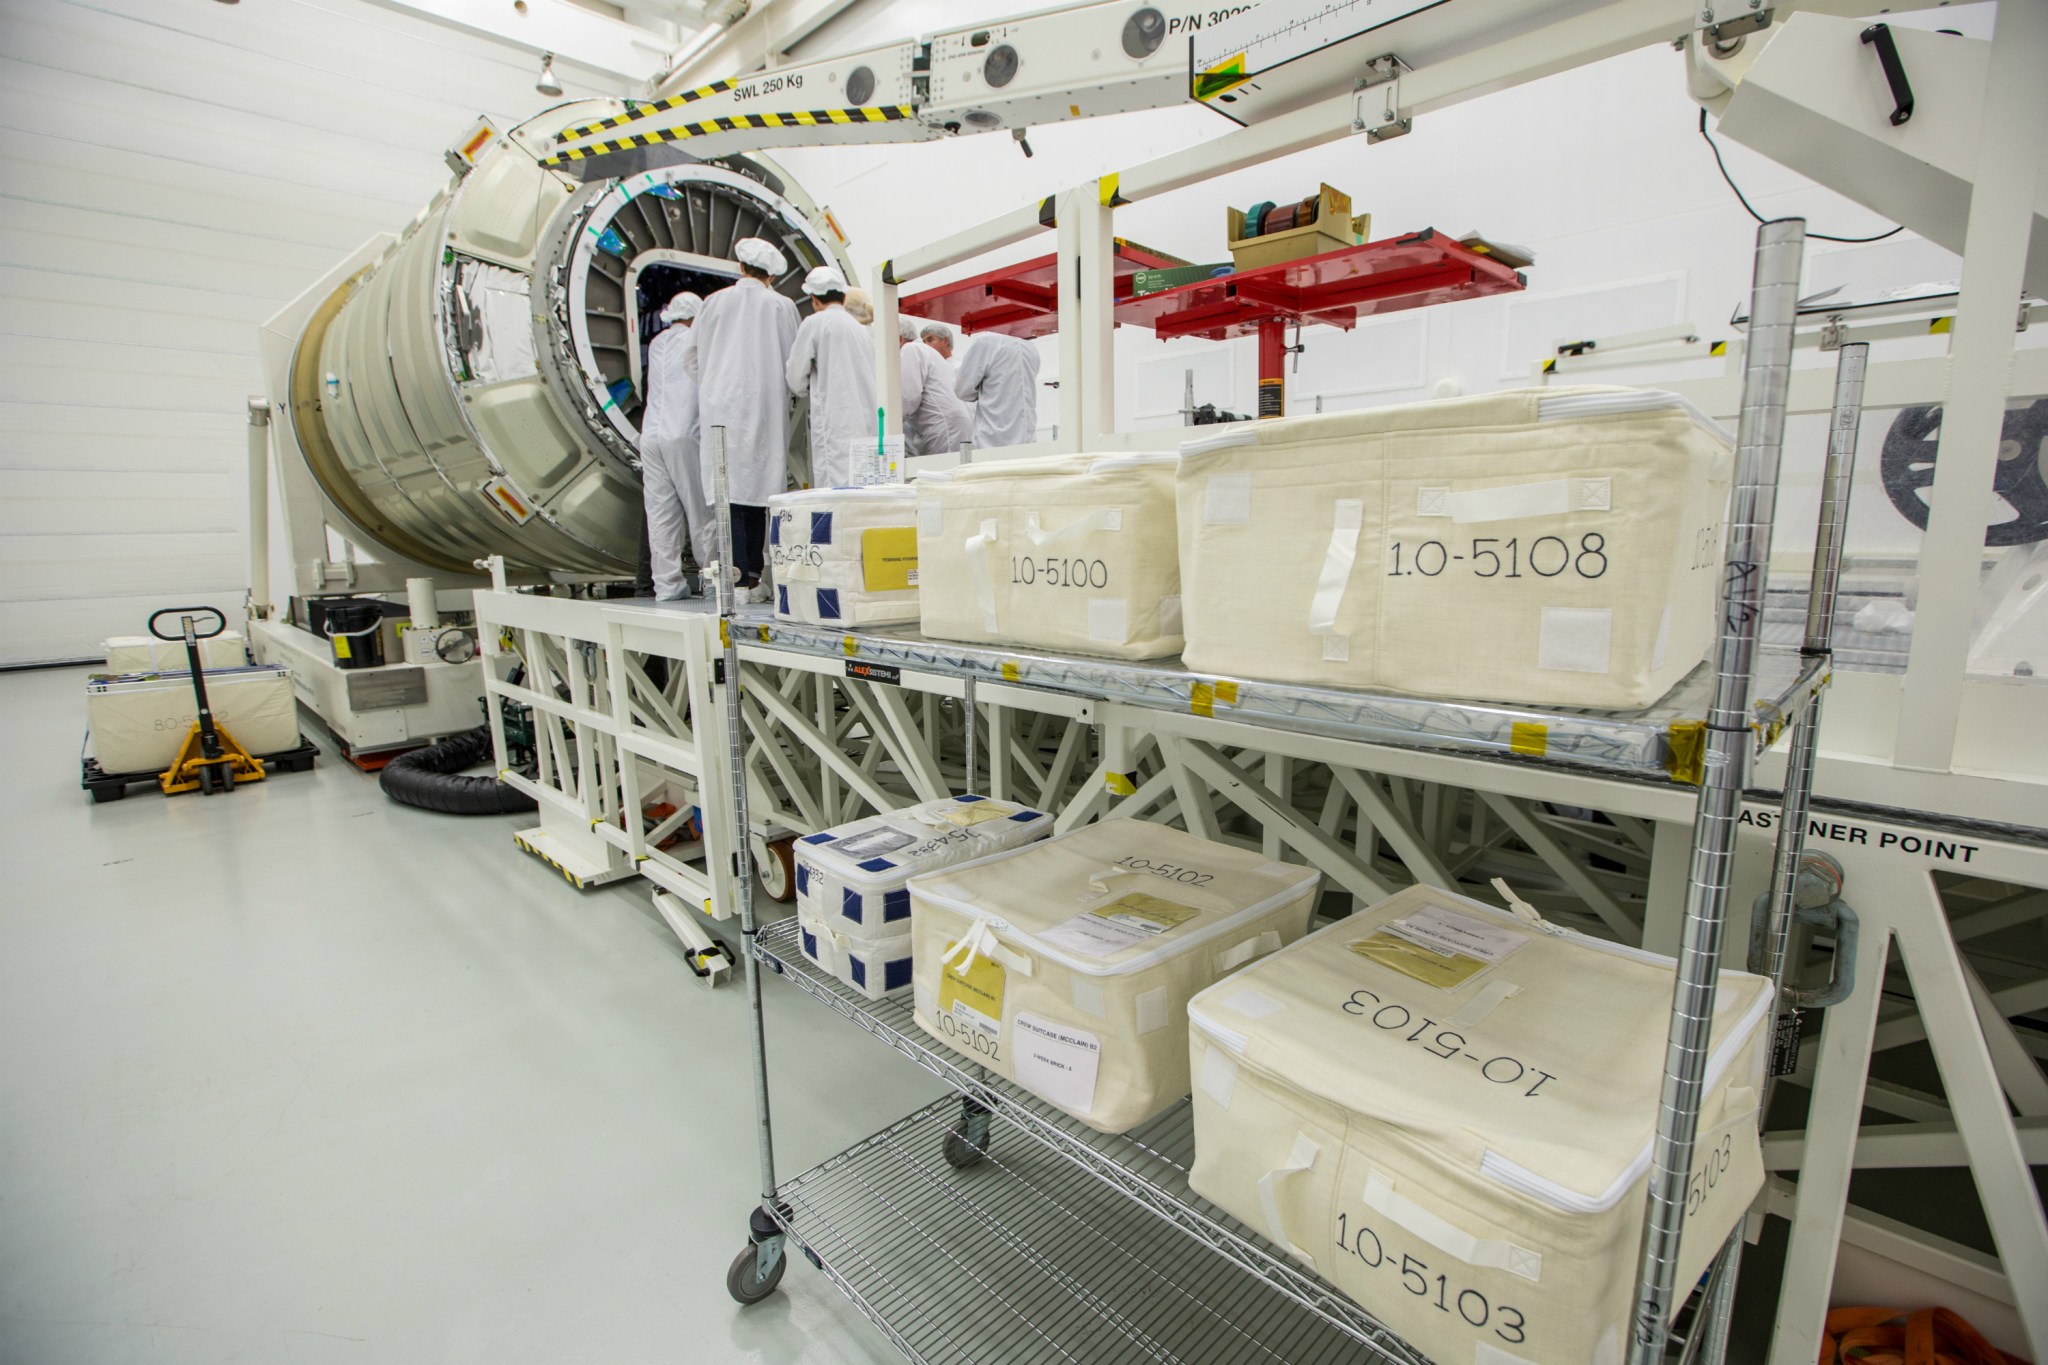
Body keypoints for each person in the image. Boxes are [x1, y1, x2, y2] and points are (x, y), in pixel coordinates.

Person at [691, 236, 799, 602]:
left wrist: (713, 382)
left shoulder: (714, 303)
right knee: (760, 490)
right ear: (771, 275)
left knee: (731, 492)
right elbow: (794, 363)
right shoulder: (782, 306)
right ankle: (751, 577)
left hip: (720, 405)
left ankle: (739, 579)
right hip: (765, 406)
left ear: (741, 267)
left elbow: (691, 358)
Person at [639, 292, 713, 600]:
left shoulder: (657, 343)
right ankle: (713, 582)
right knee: (701, 512)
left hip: (651, 436)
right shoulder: (697, 341)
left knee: (661, 515)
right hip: (684, 434)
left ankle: (667, 586)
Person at [786, 266, 877, 489]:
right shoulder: (860, 330)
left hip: (836, 425)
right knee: (861, 487)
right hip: (866, 424)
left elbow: (796, 377)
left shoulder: (814, 323)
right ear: (844, 296)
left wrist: (803, 389)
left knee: (834, 494)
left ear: (814, 299)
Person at [898, 318, 973, 457]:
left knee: (945, 472)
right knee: (957, 471)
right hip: (954, 426)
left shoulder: (910, 349)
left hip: (944, 428)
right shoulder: (925, 351)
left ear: (900, 339)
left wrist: (886, 424)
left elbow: (908, 397)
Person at [955, 329, 1042, 449]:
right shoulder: (1030, 346)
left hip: (992, 442)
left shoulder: (986, 341)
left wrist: (982, 389)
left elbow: (962, 390)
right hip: (1027, 443)